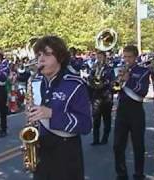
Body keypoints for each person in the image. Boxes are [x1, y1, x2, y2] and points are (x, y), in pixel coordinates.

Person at [28, 35, 92, 180]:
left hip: (66, 153)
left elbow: (86, 125)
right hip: (41, 151)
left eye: (47, 54)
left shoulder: (75, 84)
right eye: (39, 55)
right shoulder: (35, 82)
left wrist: (51, 113)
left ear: (60, 57)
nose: (41, 59)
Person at [113, 45, 150, 180]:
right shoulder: (120, 70)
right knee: (118, 145)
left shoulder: (143, 71)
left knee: (138, 145)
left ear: (136, 57)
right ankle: (121, 174)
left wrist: (129, 79)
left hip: (136, 111)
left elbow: (142, 91)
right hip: (122, 110)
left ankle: (139, 174)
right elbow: (115, 89)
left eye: (129, 57)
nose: (126, 60)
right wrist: (117, 81)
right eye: (125, 57)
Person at [88, 51, 115, 145]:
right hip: (96, 96)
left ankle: (105, 138)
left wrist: (102, 84)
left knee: (107, 119)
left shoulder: (109, 69)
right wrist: (91, 78)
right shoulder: (94, 68)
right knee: (96, 119)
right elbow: (90, 79)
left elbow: (112, 81)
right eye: (97, 57)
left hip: (106, 96)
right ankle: (95, 139)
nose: (98, 59)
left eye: (100, 57)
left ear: (105, 58)